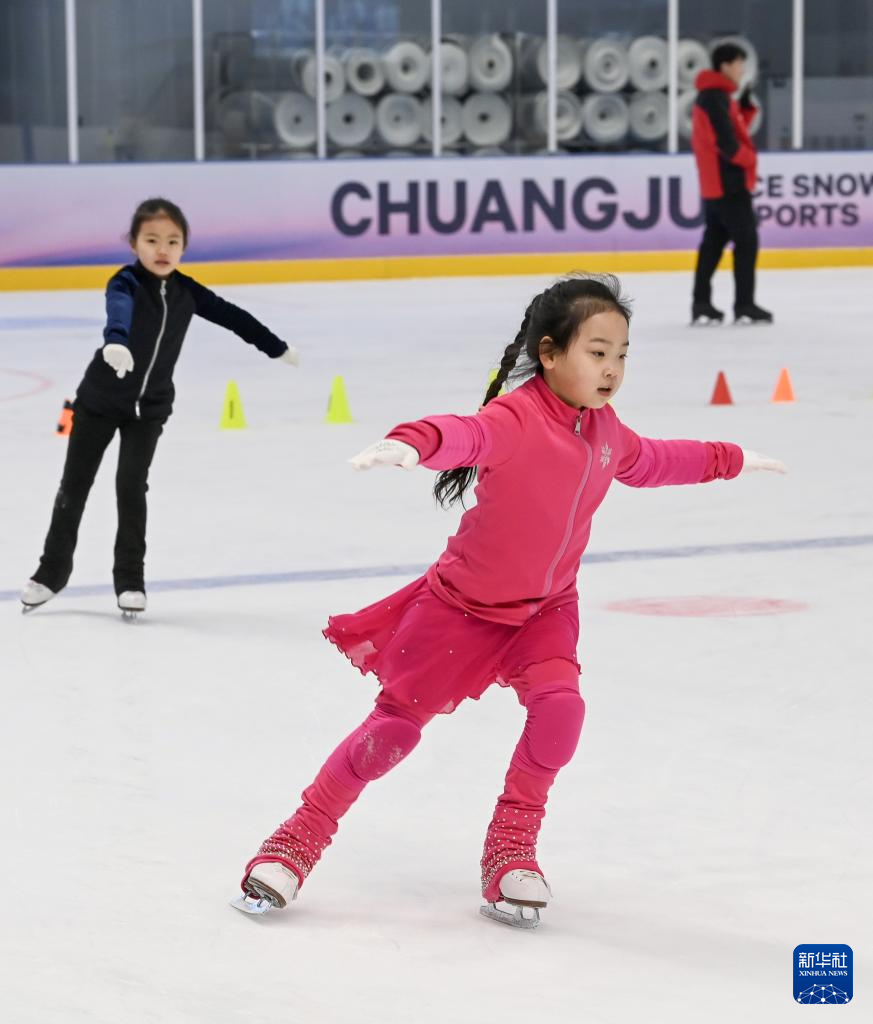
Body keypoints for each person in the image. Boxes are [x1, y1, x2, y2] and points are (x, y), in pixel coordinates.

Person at [236, 273, 786, 928]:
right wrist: (413, 443)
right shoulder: (514, 418)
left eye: (621, 355)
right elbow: (462, 435)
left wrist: (727, 457)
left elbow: (655, 459)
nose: (611, 369)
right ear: (550, 354)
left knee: (561, 711)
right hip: (459, 611)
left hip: (545, 611)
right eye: (596, 352)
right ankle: (294, 842)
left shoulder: (607, 433)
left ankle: (511, 848)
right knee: (389, 734)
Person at [20, 197, 299, 616]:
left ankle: (130, 581)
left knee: (131, 489)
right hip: (99, 401)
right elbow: (118, 309)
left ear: (184, 246)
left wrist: (274, 347)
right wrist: (116, 340)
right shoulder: (125, 283)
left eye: (172, 240)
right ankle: (50, 573)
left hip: (149, 410)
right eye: (152, 240)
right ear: (134, 243)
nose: (162, 249)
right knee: (74, 486)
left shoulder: (187, 291)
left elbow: (233, 316)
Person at [691, 42, 773, 326]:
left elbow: (731, 130)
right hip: (728, 184)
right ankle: (744, 304)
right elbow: (727, 143)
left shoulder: (716, 97)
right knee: (746, 241)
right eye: (739, 63)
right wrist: (750, 159)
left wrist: (746, 108)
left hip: (718, 184)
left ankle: (701, 303)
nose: (741, 69)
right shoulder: (714, 98)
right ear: (725, 65)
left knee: (713, 242)